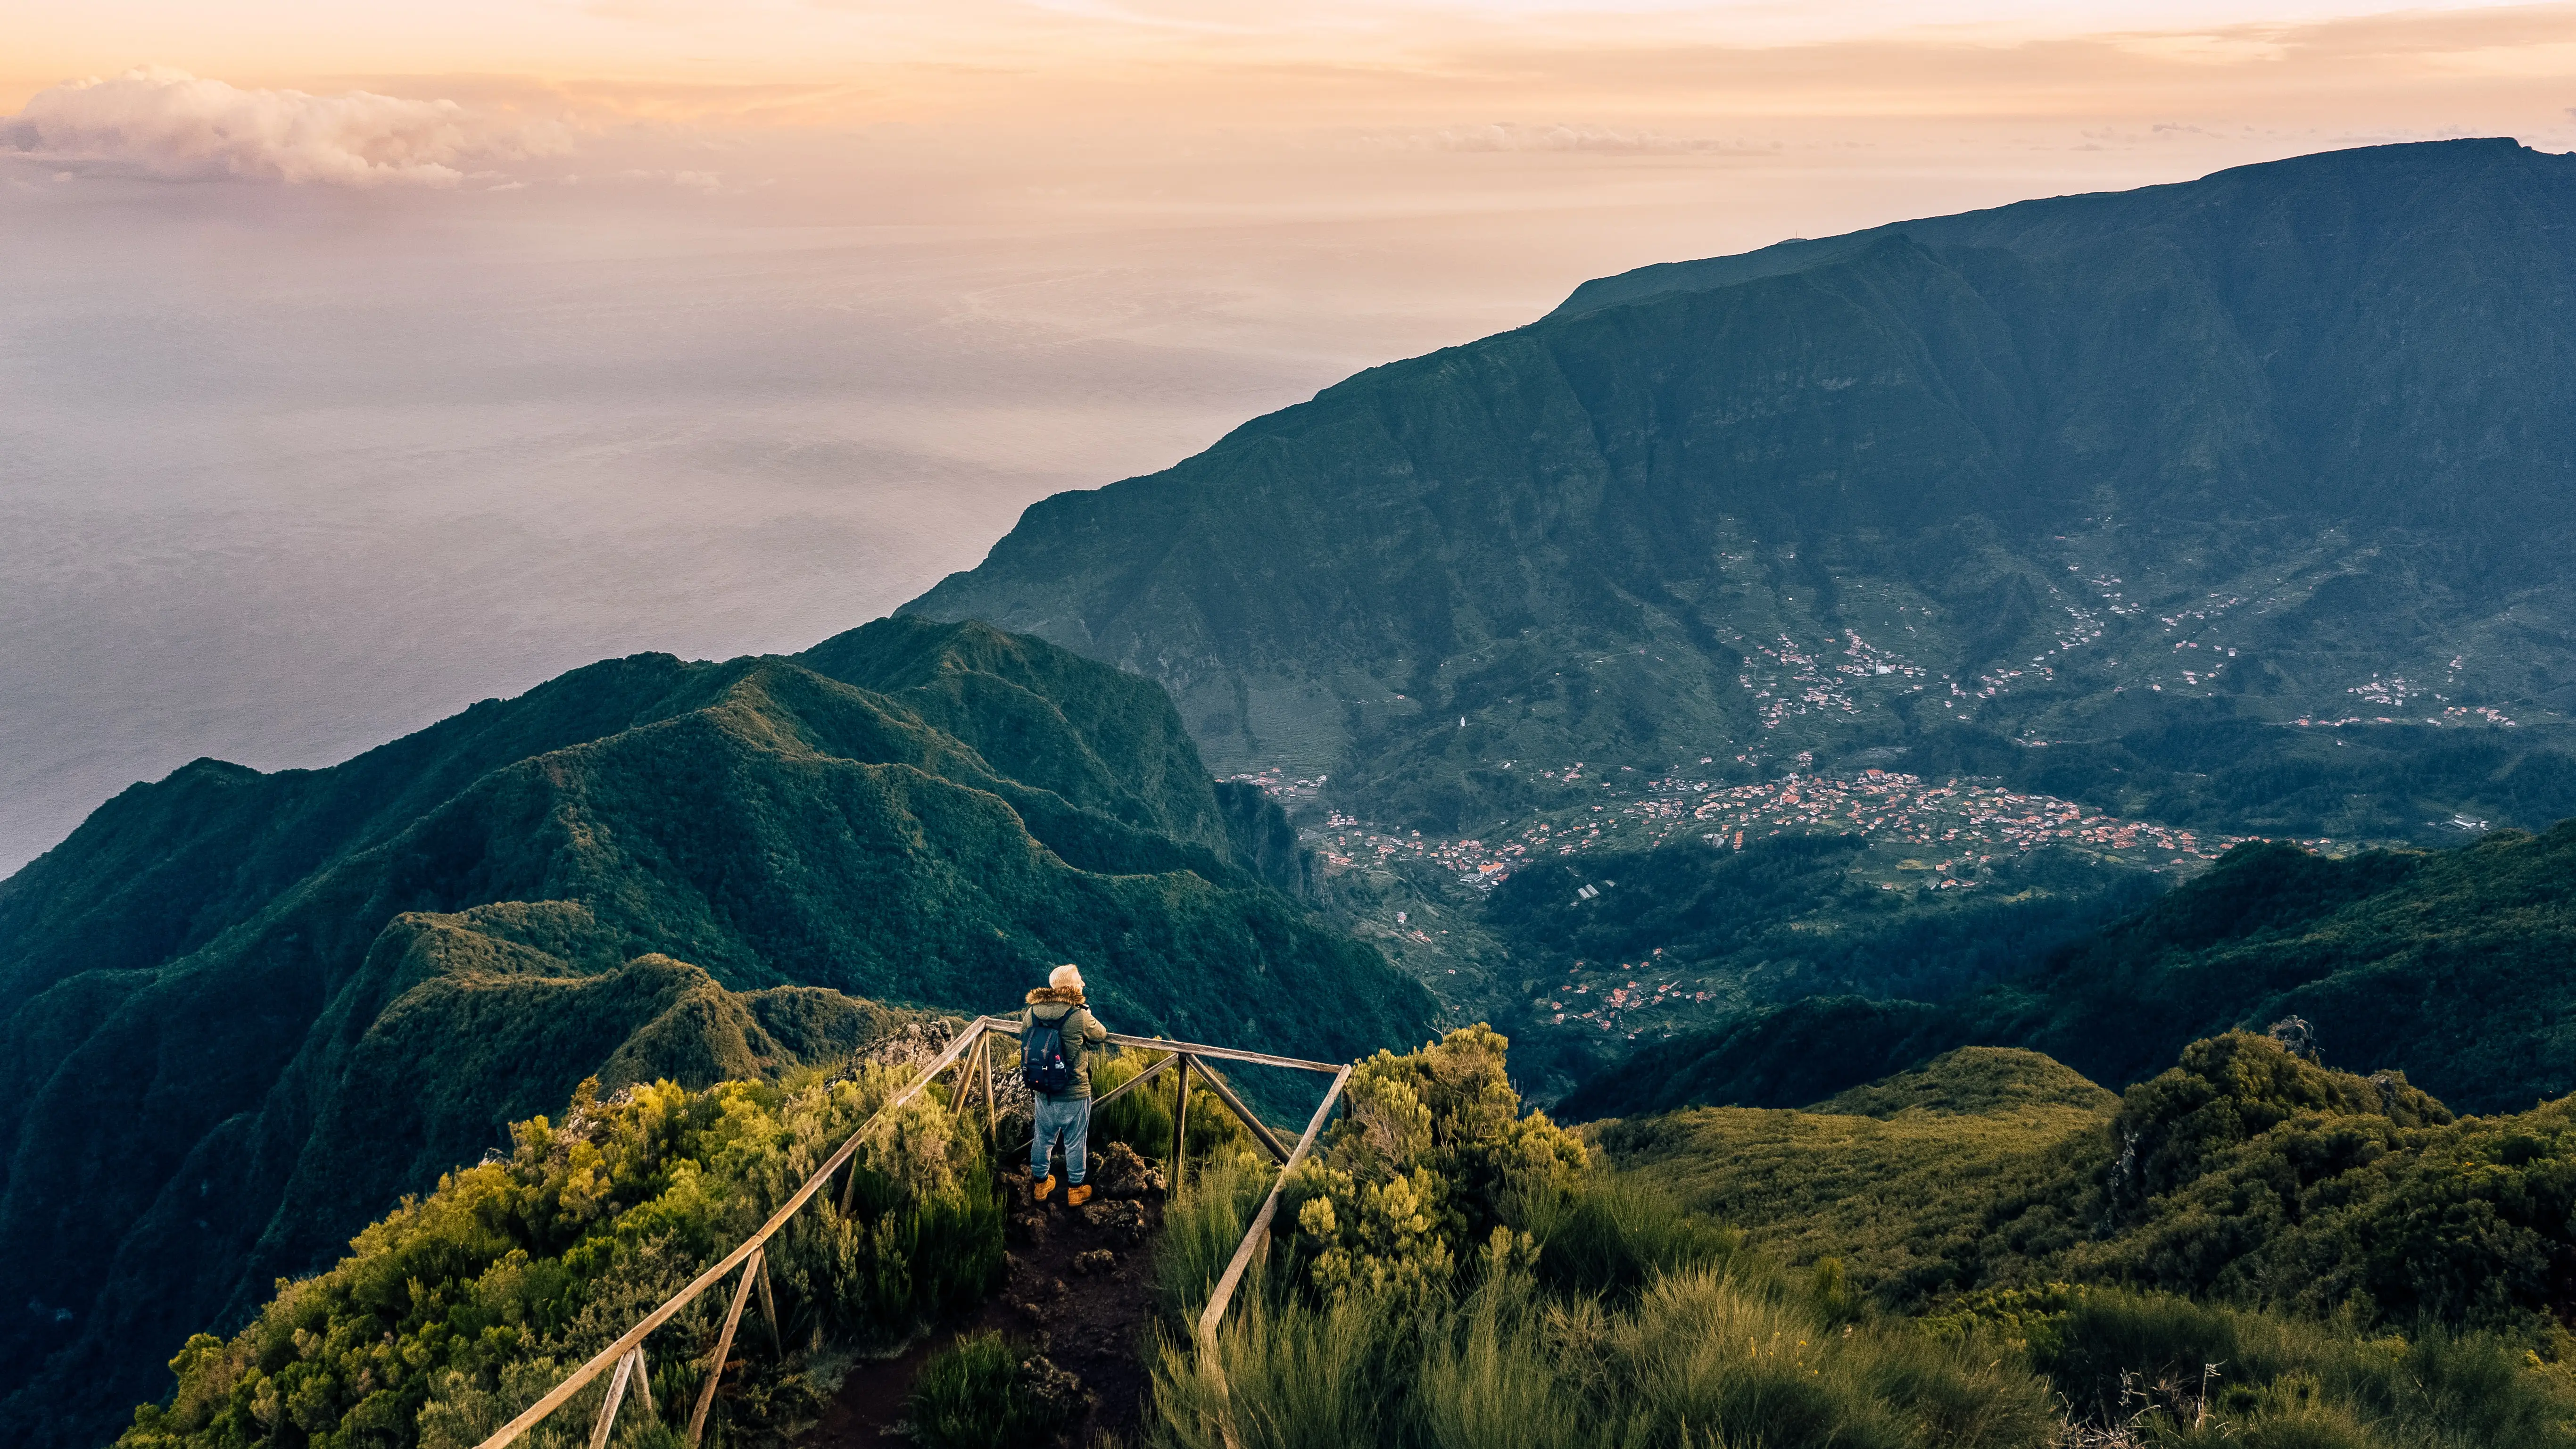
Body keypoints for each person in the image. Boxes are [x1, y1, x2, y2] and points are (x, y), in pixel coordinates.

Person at [1023, 963, 1109, 1206]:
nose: (1083, 984)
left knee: (1043, 1137)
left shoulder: (1032, 1013)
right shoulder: (1078, 1015)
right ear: (1070, 987)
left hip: (1043, 1089)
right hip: (1074, 1092)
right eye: (1080, 981)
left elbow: (1024, 1036)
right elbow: (1101, 1035)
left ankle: (1041, 1184)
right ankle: (1076, 1189)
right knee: (1075, 1141)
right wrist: (1086, 1011)